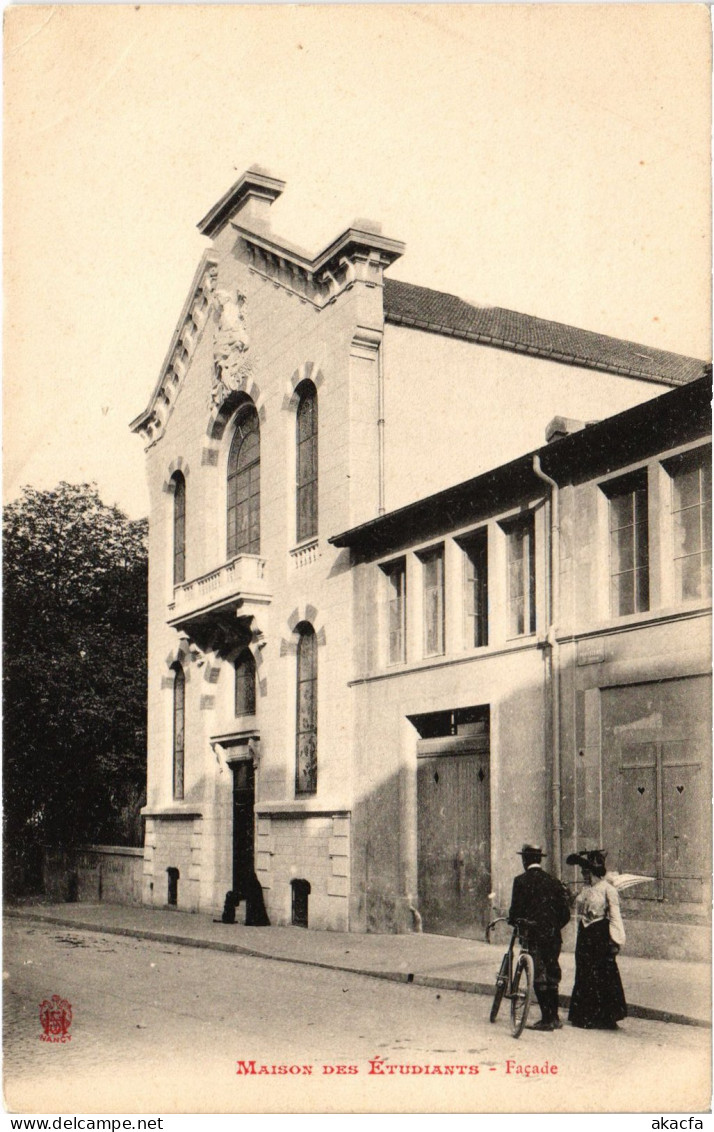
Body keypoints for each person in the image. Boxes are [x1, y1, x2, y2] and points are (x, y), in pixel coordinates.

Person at [508, 844, 572, 1031]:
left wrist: (516, 922)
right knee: (552, 973)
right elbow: (565, 914)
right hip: (553, 937)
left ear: (524, 860)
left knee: (538, 976)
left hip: (533, 936)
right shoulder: (553, 881)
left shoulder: (520, 881)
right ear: (539, 860)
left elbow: (515, 912)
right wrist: (552, 927)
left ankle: (546, 1020)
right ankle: (554, 1018)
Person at [566, 849, 627, 1030]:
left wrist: (617, 940)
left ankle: (605, 1017)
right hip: (585, 934)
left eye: (586, 871)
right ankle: (584, 1016)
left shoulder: (608, 890)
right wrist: (569, 894)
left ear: (593, 871)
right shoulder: (586, 890)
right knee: (584, 971)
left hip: (600, 933)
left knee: (602, 973)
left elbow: (615, 916)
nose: (584, 875)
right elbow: (574, 903)